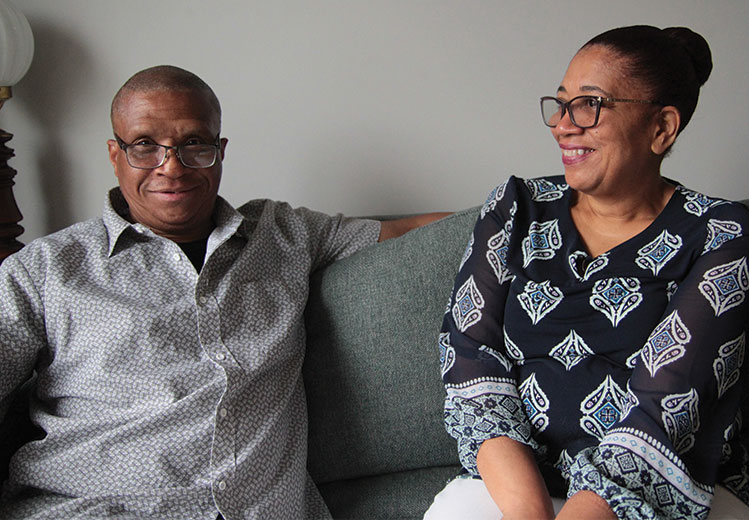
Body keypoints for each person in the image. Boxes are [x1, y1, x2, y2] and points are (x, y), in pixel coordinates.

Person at [0, 65, 445, 519]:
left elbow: (407, 231)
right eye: (145, 145)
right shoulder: (46, 270)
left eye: (194, 143)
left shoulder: (282, 234)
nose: (171, 166)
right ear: (115, 154)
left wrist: (517, 206)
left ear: (219, 151)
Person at [425, 26, 749, 520]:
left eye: (589, 105)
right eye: (561, 104)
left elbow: (666, 412)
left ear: (661, 128)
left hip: (668, 493)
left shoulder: (721, 234)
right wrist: (529, 512)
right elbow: (470, 360)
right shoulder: (517, 208)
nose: (563, 125)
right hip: (522, 488)